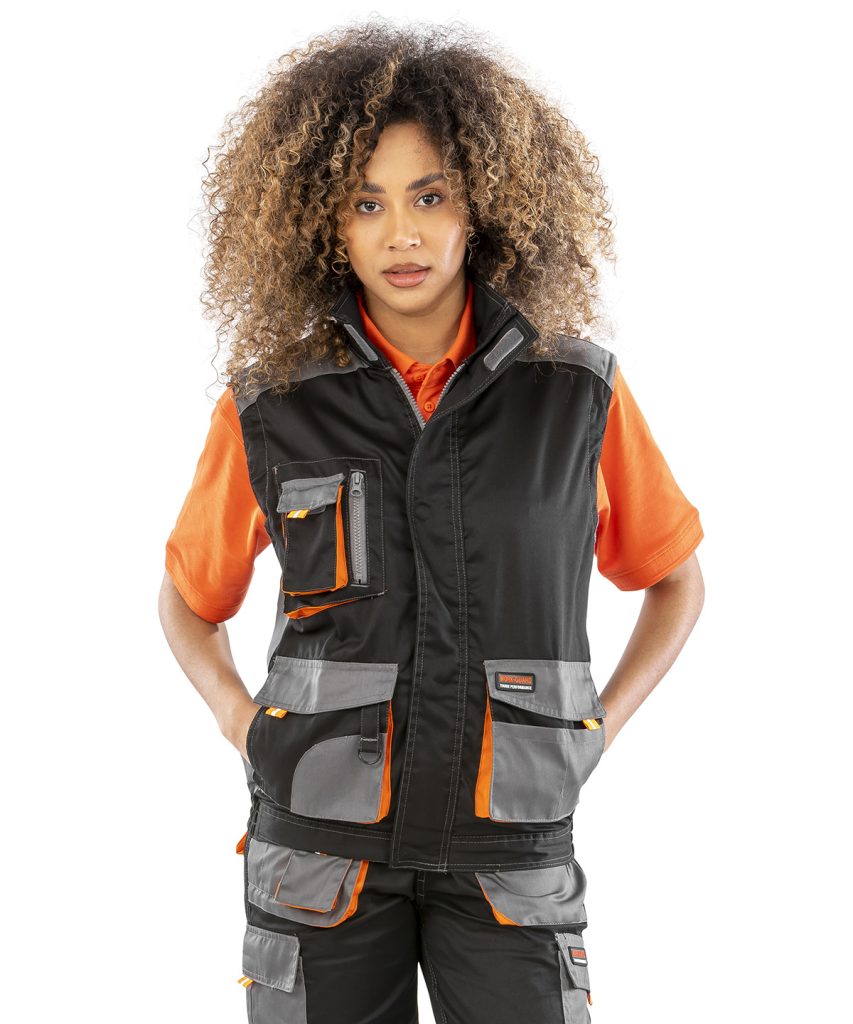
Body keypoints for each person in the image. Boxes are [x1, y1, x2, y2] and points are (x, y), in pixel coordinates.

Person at [159, 19, 705, 1024]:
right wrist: (241, 724)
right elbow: (189, 600)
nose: (400, 236)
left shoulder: (575, 394)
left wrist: (597, 730)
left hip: (510, 849)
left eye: (429, 196)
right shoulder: (273, 405)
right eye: (366, 203)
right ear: (324, 220)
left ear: (483, 206)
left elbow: (673, 578)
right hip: (318, 852)